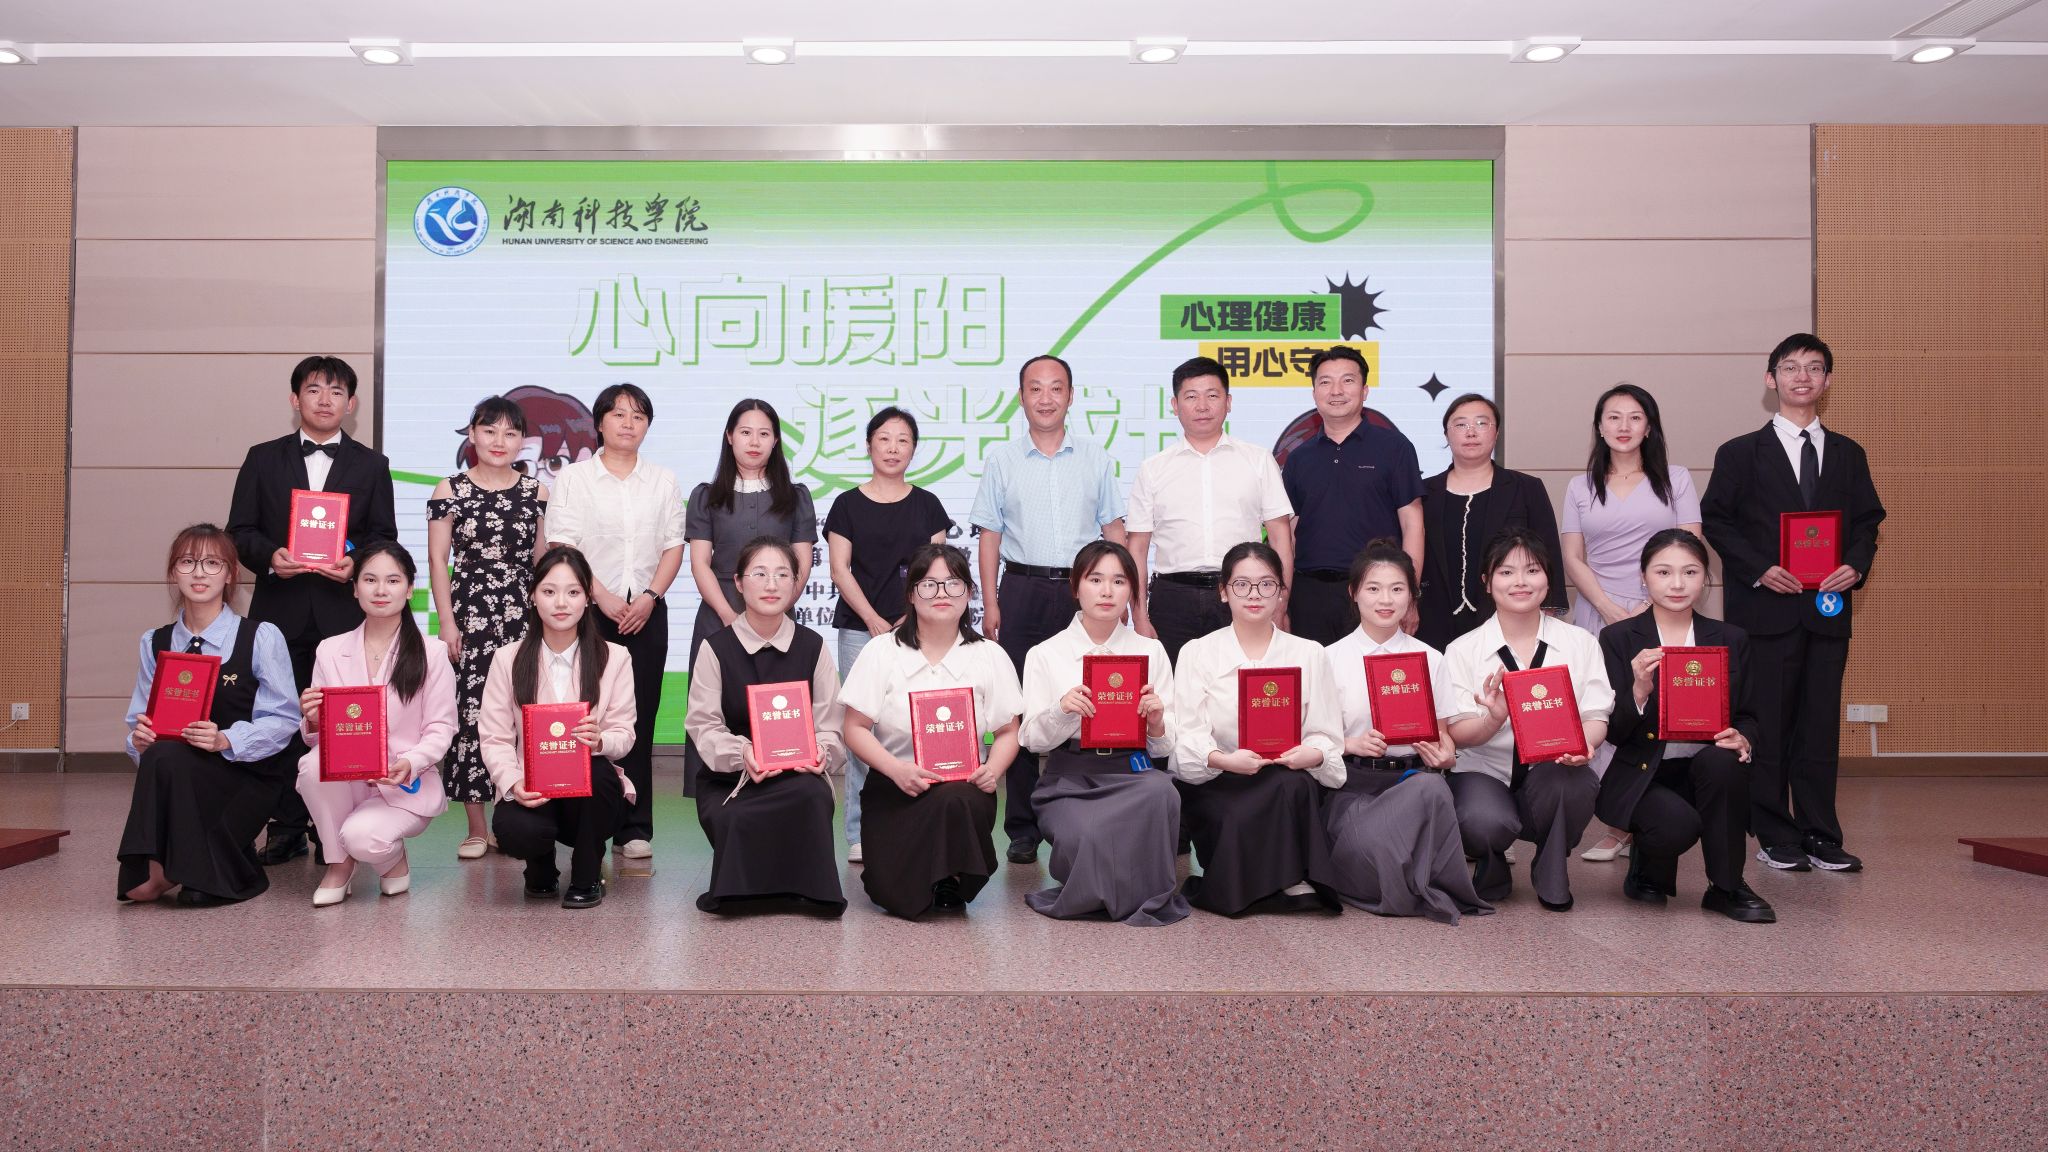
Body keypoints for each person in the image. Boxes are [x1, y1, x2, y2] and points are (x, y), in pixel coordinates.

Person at [1702, 333, 1885, 874]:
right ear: (1771, 379)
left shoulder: (1849, 453)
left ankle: (1821, 834)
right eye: (1790, 367)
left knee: (1820, 726)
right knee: (1769, 725)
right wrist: (1759, 568)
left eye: (1814, 368)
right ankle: (1774, 833)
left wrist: (1856, 564)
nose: (1801, 376)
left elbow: (1868, 522)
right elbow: (1718, 521)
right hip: (1765, 612)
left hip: (1827, 611)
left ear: (1828, 381)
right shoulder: (1739, 453)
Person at [227, 355, 397, 866]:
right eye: (315, 390)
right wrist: (270, 557)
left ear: (352, 403)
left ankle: (335, 828)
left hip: (342, 615)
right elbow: (240, 531)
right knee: (281, 718)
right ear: (294, 398)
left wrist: (356, 562)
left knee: (342, 722)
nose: (326, 400)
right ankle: (285, 826)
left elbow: (383, 536)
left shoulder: (372, 465)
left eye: (336, 392)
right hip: (278, 612)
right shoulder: (262, 458)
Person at [969, 354, 1127, 863]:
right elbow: (989, 535)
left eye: (1056, 388)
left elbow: (1113, 529)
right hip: (1022, 588)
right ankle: (1022, 827)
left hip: (1084, 590)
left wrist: (1121, 592)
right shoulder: (1002, 460)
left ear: (1071, 395)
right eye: (1035, 388)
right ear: (1021, 397)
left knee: (1090, 697)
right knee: (1020, 705)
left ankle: (1087, 806)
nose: (1045, 398)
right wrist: (991, 601)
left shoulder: (1096, 458)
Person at [118, 524, 301, 906]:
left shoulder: (260, 636)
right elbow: (139, 718)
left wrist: (225, 739)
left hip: (243, 776)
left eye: (212, 563)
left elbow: (285, 720)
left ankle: (185, 863)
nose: (199, 573)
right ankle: (168, 863)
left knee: (196, 892)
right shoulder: (155, 642)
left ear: (231, 573)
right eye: (187, 562)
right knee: (162, 752)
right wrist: (139, 739)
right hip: (178, 773)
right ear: (173, 572)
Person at [1598, 530, 1775, 923]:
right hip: (1645, 771)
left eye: (1690, 572)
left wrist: (1743, 737)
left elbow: (1749, 715)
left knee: (1724, 762)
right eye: (1663, 572)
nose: (1677, 584)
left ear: (1705, 578)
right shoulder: (1618, 638)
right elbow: (1614, 732)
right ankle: (1647, 866)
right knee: (1673, 826)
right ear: (1643, 577)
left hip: (1705, 768)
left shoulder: (1730, 638)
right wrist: (1638, 690)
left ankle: (1726, 887)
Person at [839, 544, 1024, 918]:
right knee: (890, 893)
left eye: (953, 584)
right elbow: (854, 728)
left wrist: (993, 770)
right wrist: (896, 770)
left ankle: (951, 877)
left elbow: (1008, 731)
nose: (942, 593)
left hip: (963, 788)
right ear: (911, 594)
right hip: (895, 788)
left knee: (956, 798)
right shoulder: (881, 651)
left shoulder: (989, 655)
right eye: (929, 584)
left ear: (969, 593)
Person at [1560, 383, 1702, 863]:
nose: (1624, 426)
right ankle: (1616, 822)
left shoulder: (1675, 479)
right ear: (1599, 427)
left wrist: (1652, 604)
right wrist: (1607, 607)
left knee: (1656, 711)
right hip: (1596, 610)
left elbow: (1690, 546)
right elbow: (1572, 557)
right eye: (1613, 417)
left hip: (1664, 607)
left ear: (1649, 426)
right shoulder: (1580, 486)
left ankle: (1647, 817)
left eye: (1635, 417)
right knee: (1604, 709)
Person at [545, 383, 683, 858]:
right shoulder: (574, 478)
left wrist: (650, 597)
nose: (628, 423)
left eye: (639, 415)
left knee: (637, 717)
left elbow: (673, 546)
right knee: (583, 716)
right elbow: (563, 545)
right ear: (599, 422)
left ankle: (633, 826)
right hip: (584, 613)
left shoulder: (663, 480)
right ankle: (583, 823)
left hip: (645, 613)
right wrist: (599, 595)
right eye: (619, 413)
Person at [1171, 541, 1345, 916]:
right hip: (1220, 780)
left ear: (1281, 592)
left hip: (1285, 777)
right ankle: (1262, 881)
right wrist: (1223, 760)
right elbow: (1188, 737)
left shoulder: (1309, 653)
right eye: (1242, 584)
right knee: (1238, 810)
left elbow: (1326, 734)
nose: (1254, 594)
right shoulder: (1197, 652)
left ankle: (1287, 878)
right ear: (1223, 591)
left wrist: (1313, 753)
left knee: (1293, 785)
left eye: (1266, 584)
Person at [1018, 541, 1187, 926]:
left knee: (1162, 792)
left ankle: (1128, 890)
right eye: (1095, 580)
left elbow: (1165, 746)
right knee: (1088, 832)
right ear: (1076, 587)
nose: (1107, 591)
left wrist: (1156, 722)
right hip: (1069, 777)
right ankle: (1113, 890)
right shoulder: (1045, 653)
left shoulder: (1151, 652)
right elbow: (1031, 739)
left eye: (1119, 581)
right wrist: (1061, 710)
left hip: (1133, 770)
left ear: (1132, 591)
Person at [1442, 529, 1613, 911]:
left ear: (1548, 579)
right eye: (1506, 572)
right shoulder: (1462, 650)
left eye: (1532, 570)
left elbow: (1596, 714)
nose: (1520, 581)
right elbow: (1458, 733)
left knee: (1574, 784)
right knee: (1481, 819)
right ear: (1487, 581)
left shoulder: (1580, 643)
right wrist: (1494, 719)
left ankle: (1551, 869)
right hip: (1485, 772)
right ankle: (1490, 863)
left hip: (1553, 770)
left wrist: (1584, 745)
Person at [1323, 540, 1490, 923]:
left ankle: (1405, 873)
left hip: (1412, 784)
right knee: (1376, 859)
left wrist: (1446, 755)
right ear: (1353, 593)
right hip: (1354, 791)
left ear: (1412, 596)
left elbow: (1442, 735)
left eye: (1397, 589)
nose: (1386, 599)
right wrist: (1350, 743)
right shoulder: (1328, 658)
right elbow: (1311, 737)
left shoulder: (1431, 659)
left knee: (1431, 786)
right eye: (1373, 588)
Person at [685, 537, 847, 915]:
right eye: (759, 574)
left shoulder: (813, 646)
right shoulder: (716, 647)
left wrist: (821, 752)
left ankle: (809, 890)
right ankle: (741, 892)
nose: (771, 584)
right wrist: (742, 753)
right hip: (734, 777)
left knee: (812, 796)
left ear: (795, 584)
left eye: (782, 575)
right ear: (739, 583)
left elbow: (830, 724)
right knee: (734, 814)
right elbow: (704, 725)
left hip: (798, 774)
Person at [823, 406, 952, 864]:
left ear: (913, 450)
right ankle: (859, 832)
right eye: (884, 438)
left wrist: (906, 617)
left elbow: (937, 573)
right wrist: (875, 620)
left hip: (919, 632)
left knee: (916, 726)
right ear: (868, 445)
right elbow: (840, 570)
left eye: (903, 440)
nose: (893, 448)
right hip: (859, 631)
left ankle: (915, 821)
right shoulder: (847, 504)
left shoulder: (928, 504)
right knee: (862, 730)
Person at [295, 541, 457, 906]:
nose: (381, 590)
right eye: (370, 580)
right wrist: (315, 719)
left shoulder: (431, 653)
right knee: (312, 766)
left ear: (409, 588)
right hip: (347, 779)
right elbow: (319, 739)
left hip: (403, 782)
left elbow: (441, 728)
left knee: (364, 838)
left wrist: (412, 761)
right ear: (354, 588)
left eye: (392, 580)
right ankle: (339, 864)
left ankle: (391, 859)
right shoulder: (330, 650)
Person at [479, 546, 638, 909]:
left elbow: (625, 734)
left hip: (588, 794)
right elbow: (494, 737)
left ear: (588, 598)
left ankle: (587, 872)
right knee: (517, 831)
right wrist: (513, 782)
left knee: (599, 773)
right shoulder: (507, 658)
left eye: (573, 592)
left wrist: (600, 740)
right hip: (532, 786)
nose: (561, 603)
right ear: (533, 597)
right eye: (549, 591)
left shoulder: (615, 657)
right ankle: (540, 866)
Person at [428, 395, 549, 861]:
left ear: (523, 441)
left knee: (522, 711)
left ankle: (515, 818)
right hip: (470, 613)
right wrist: (447, 622)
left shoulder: (537, 491)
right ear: (473, 435)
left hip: (523, 614)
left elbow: (542, 561)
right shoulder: (450, 489)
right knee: (473, 714)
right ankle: (478, 828)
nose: (499, 441)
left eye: (510, 433)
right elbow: (438, 560)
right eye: (489, 430)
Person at [685, 398, 819, 792]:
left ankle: (782, 788)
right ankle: (715, 799)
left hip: (777, 617)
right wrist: (732, 619)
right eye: (745, 432)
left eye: (764, 433)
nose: (754, 441)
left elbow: (801, 564)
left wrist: (773, 610)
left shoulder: (796, 496)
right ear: (730, 437)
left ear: (776, 441)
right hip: (718, 614)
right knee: (716, 712)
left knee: (779, 715)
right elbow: (700, 563)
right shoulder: (706, 495)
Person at [1127, 355, 1294, 664]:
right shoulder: (1153, 469)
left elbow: (1281, 537)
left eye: (1212, 395)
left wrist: (1280, 602)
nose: (1202, 406)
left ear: (1228, 402)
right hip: (1172, 599)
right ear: (1175, 405)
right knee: (1172, 687)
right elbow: (1137, 548)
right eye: (1191, 397)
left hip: (1243, 593)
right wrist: (1138, 613)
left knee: (1243, 683)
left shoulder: (1257, 460)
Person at [1281, 346, 1424, 645]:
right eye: (1325, 382)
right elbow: (1289, 534)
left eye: (1347, 380)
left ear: (1365, 390)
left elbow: (1413, 525)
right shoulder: (1298, 458)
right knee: (1313, 673)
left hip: (1375, 592)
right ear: (1314, 392)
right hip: (1310, 596)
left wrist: (1409, 595)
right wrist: (1282, 601)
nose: (1336, 391)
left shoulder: (1395, 447)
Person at [1418, 393, 1566, 651]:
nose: (1471, 432)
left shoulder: (1526, 488)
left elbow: (1548, 550)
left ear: (1496, 433)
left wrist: (1549, 606)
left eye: (1481, 423)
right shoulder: (1424, 493)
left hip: (1509, 617)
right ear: (1446, 434)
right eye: (1461, 424)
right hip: (1433, 617)